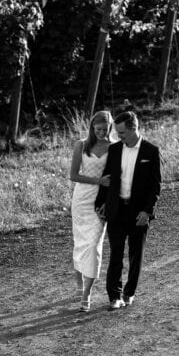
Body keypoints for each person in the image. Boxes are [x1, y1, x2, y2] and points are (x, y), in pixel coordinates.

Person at [94, 110, 161, 311]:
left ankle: (129, 293)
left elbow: (155, 186)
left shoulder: (151, 151)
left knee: (135, 255)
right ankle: (114, 296)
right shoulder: (114, 150)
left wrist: (147, 211)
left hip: (139, 212)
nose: (119, 136)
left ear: (134, 129)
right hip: (116, 209)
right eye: (117, 132)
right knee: (115, 254)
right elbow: (107, 178)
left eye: (122, 133)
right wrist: (101, 202)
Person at [69, 110, 113, 313]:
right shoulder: (81, 145)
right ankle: (79, 280)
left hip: (101, 201)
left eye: (105, 129)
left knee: (94, 245)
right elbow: (73, 175)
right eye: (98, 129)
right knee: (80, 242)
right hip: (81, 199)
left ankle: (87, 293)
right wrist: (98, 180)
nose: (102, 133)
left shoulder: (114, 147)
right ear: (92, 128)